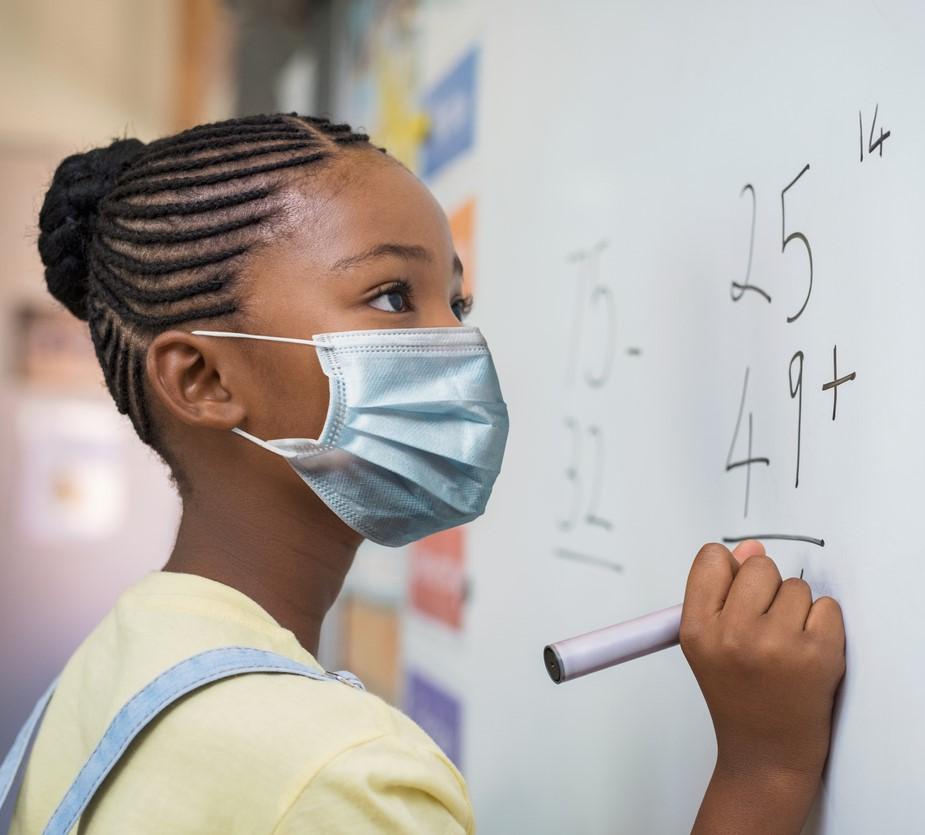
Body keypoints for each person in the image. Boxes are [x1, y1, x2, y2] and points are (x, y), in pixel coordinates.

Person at [1, 113, 844, 834]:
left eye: (458, 303)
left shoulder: (112, 668)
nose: (457, 345)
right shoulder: (336, 775)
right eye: (394, 297)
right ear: (205, 380)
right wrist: (762, 771)